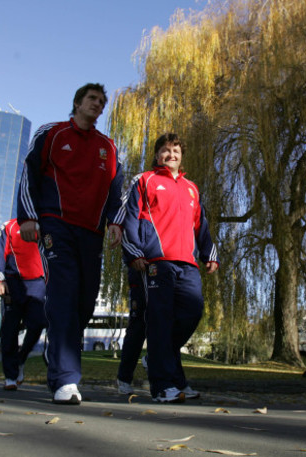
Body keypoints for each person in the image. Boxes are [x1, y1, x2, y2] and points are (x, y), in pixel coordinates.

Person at [17, 83, 124, 405]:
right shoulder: (52, 133)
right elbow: (29, 174)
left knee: (85, 301)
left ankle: (58, 351)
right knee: (63, 292)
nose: (98, 104)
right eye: (92, 99)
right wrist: (28, 217)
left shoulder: (108, 146)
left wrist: (115, 223)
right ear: (77, 102)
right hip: (55, 224)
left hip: (90, 232)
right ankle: (65, 379)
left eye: (102, 102)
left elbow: (115, 190)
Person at [122, 133, 219, 403]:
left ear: (181, 155)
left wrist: (209, 253)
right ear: (157, 155)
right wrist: (134, 253)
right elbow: (131, 219)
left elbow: (201, 225)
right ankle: (164, 386)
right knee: (160, 321)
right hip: (157, 262)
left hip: (187, 264)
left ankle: (157, 358)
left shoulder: (191, 188)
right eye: (165, 150)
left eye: (175, 150)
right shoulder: (145, 181)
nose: (171, 155)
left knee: (192, 312)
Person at [0, 218, 47, 391]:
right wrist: (0, 280)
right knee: (10, 330)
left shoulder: (47, 223)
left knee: (38, 323)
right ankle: (10, 376)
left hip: (38, 283)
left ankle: (21, 358)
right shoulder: (9, 226)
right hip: (12, 282)